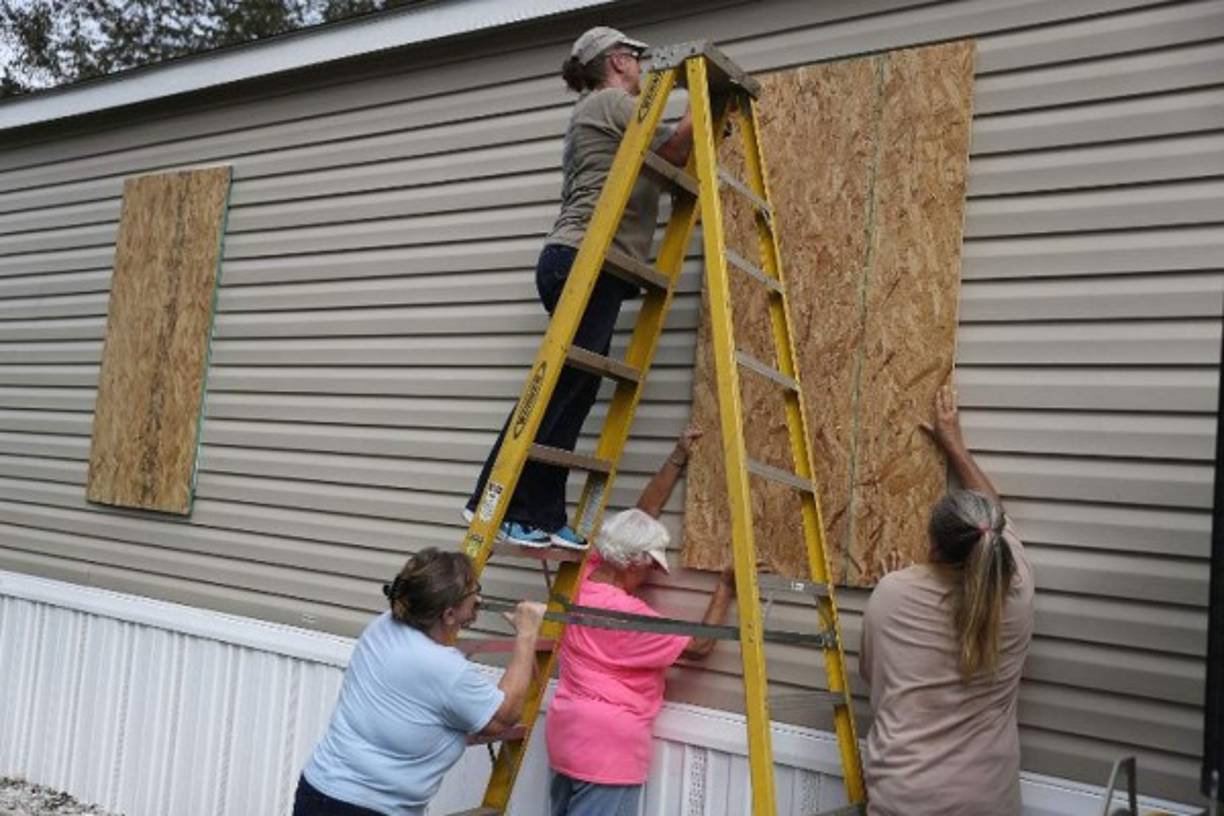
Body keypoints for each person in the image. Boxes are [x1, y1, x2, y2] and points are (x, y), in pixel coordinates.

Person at [464, 25, 694, 550]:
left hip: (594, 264)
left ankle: (542, 512)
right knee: (564, 387)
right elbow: (676, 152)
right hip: (583, 259)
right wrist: (698, 104)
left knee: (578, 387)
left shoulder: (610, 112)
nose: (641, 69)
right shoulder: (610, 102)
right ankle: (497, 504)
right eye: (636, 59)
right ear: (616, 61)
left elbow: (661, 163)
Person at [858, 385, 1035, 816]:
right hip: (988, 801)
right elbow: (992, 518)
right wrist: (954, 445)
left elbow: (871, 676)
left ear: (933, 547)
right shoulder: (1018, 590)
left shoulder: (892, 594)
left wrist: (893, 588)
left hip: (906, 797)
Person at [545, 426, 735, 816]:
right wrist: (725, 588)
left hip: (567, 736)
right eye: (651, 564)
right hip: (609, 752)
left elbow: (641, 516)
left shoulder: (582, 577)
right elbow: (699, 647)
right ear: (633, 562)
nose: (652, 574)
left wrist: (678, 456)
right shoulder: (630, 618)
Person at [294, 548, 545, 816]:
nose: (479, 598)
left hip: (318, 790)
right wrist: (527, 633)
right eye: (474, 591)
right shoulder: (444, 668)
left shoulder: (383, 624)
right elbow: (505, 716)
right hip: (367, 809)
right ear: (448, 615)